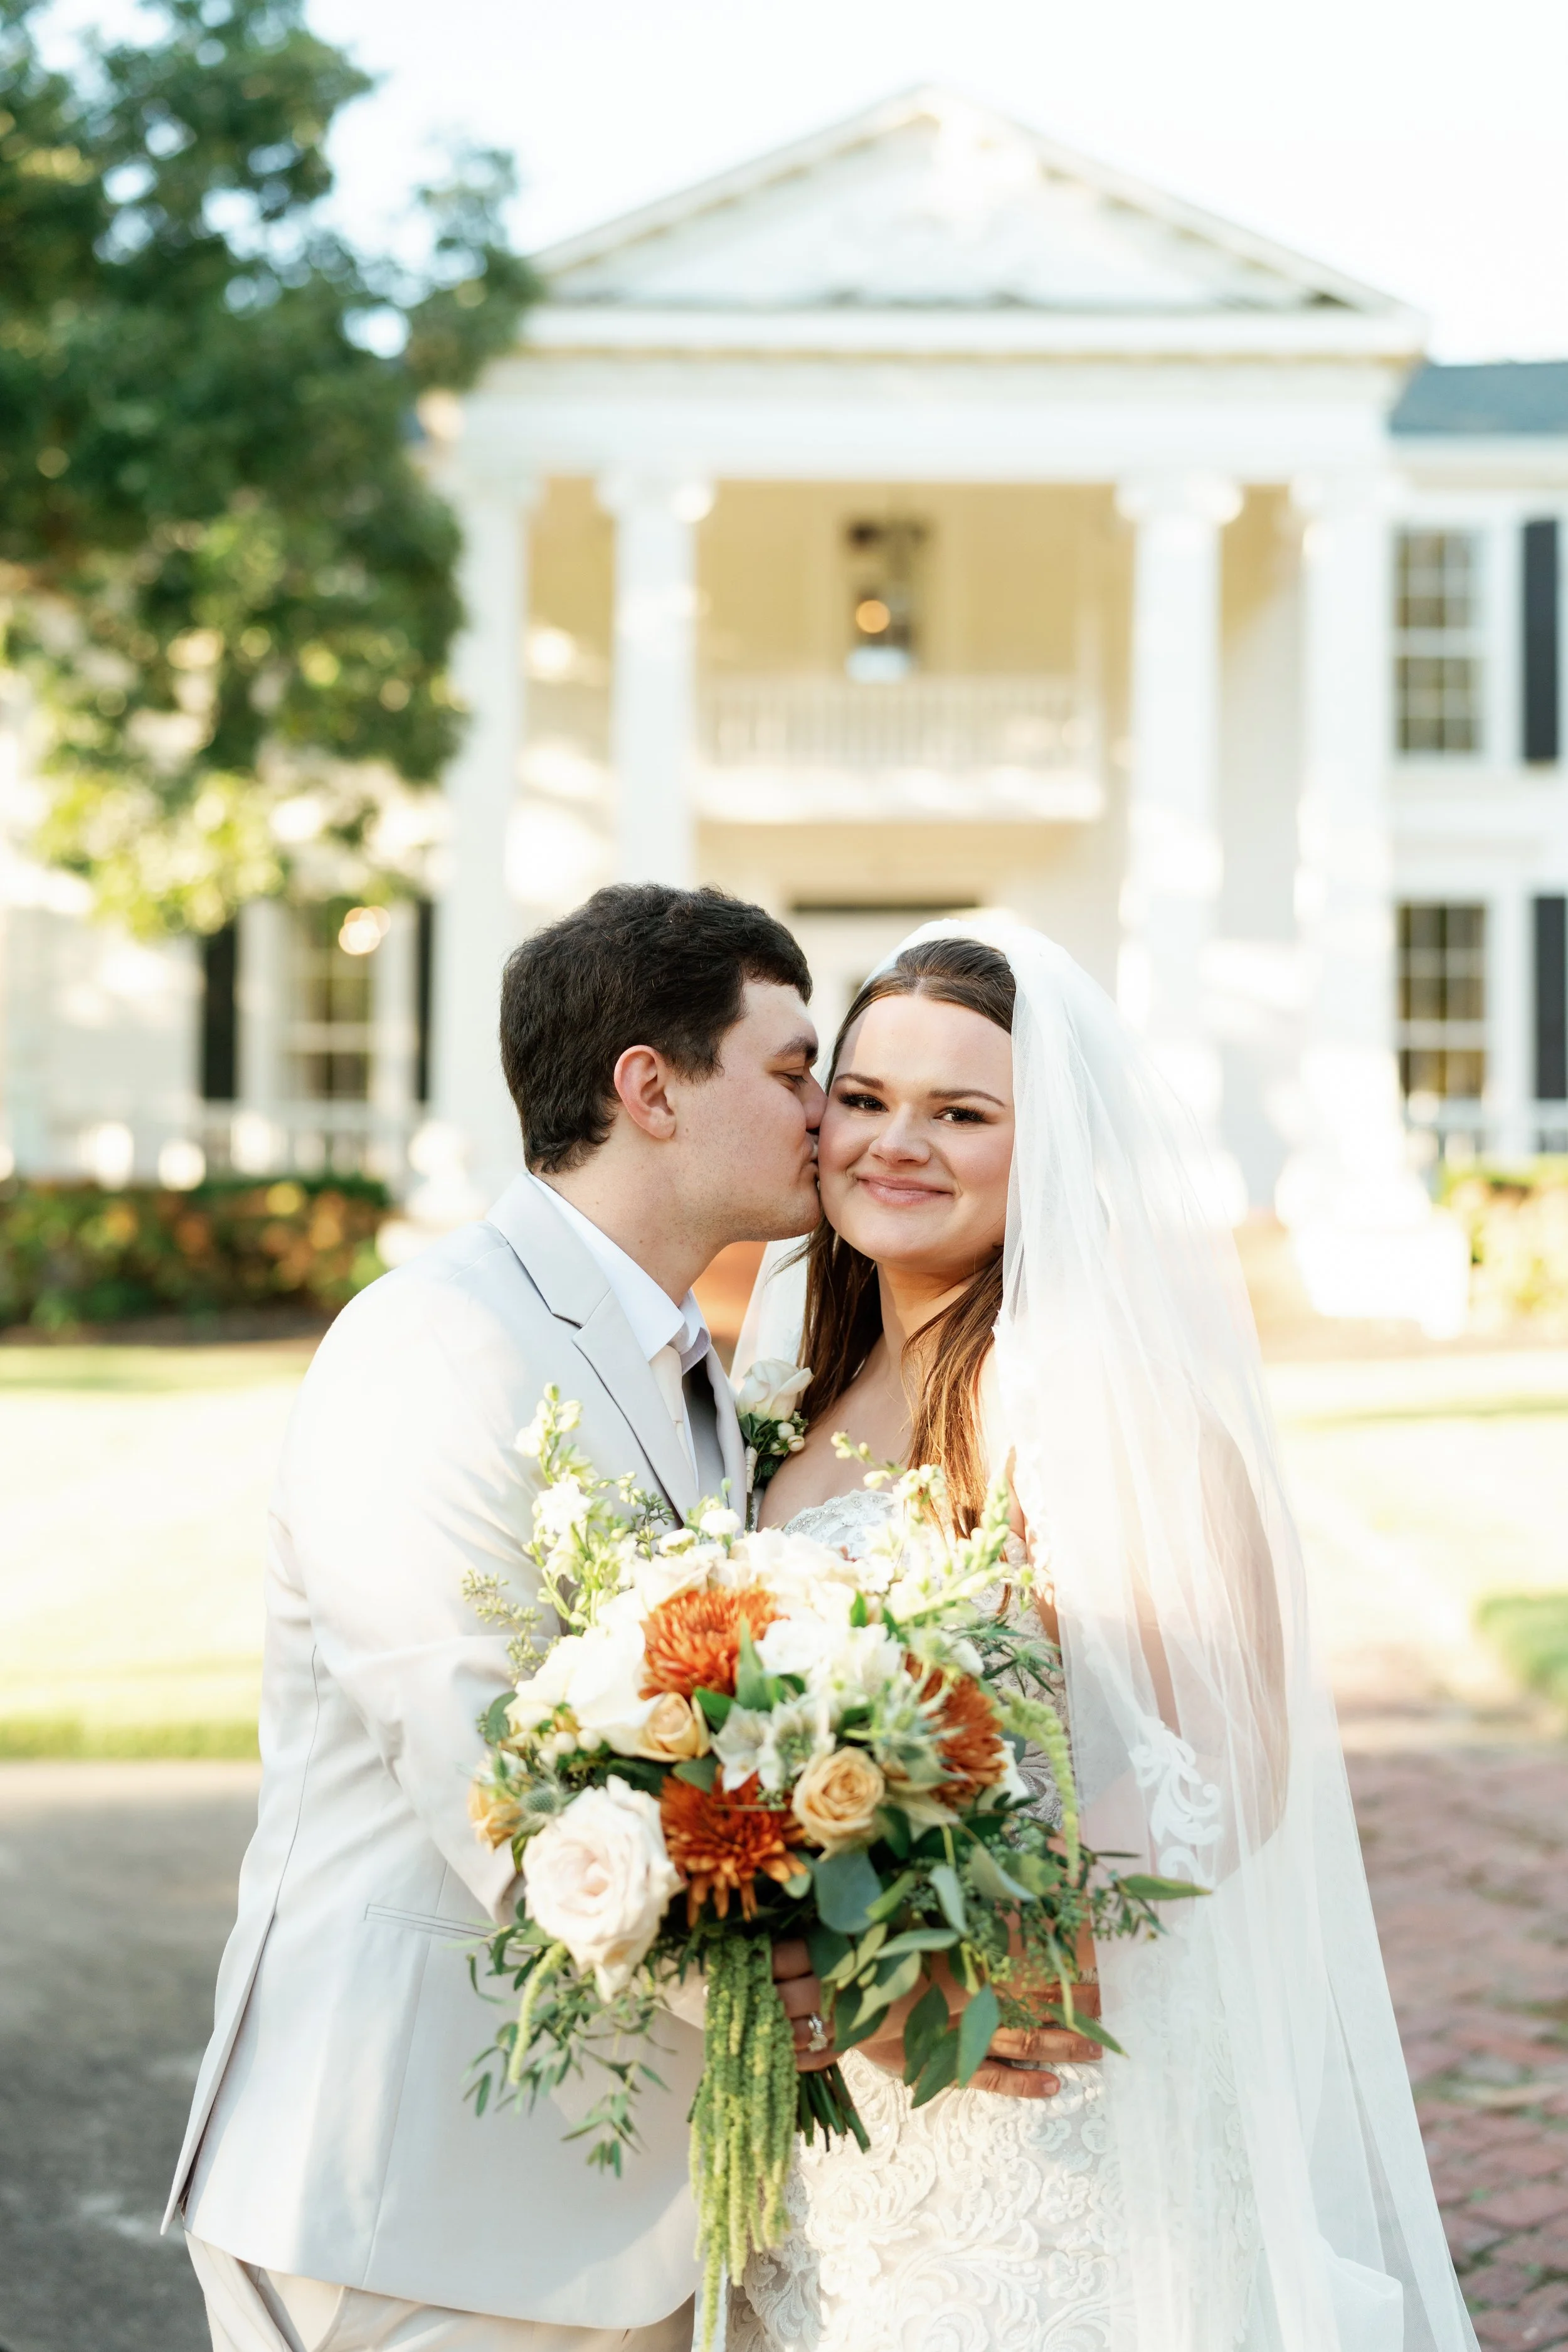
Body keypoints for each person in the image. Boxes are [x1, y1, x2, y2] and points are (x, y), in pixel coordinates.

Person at [732, 924, 1477, 2352]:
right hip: (840, 2116)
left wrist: (951, 1964)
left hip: (1027, 2076)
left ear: (1051, 1149)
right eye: (866, 1098)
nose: (897, 1142)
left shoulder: (1082, 1391)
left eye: (962, 1113)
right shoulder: (797, 1390)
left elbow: (1223, 1758)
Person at [166, 884, 837, 2352]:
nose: (825, 1112)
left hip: (618, 2214)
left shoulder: (697, 1368)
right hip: (409, 2207)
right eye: (792, 1069)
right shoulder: (437, 1342)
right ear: (649, 1089)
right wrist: (836, 1996)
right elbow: (490, 1770)